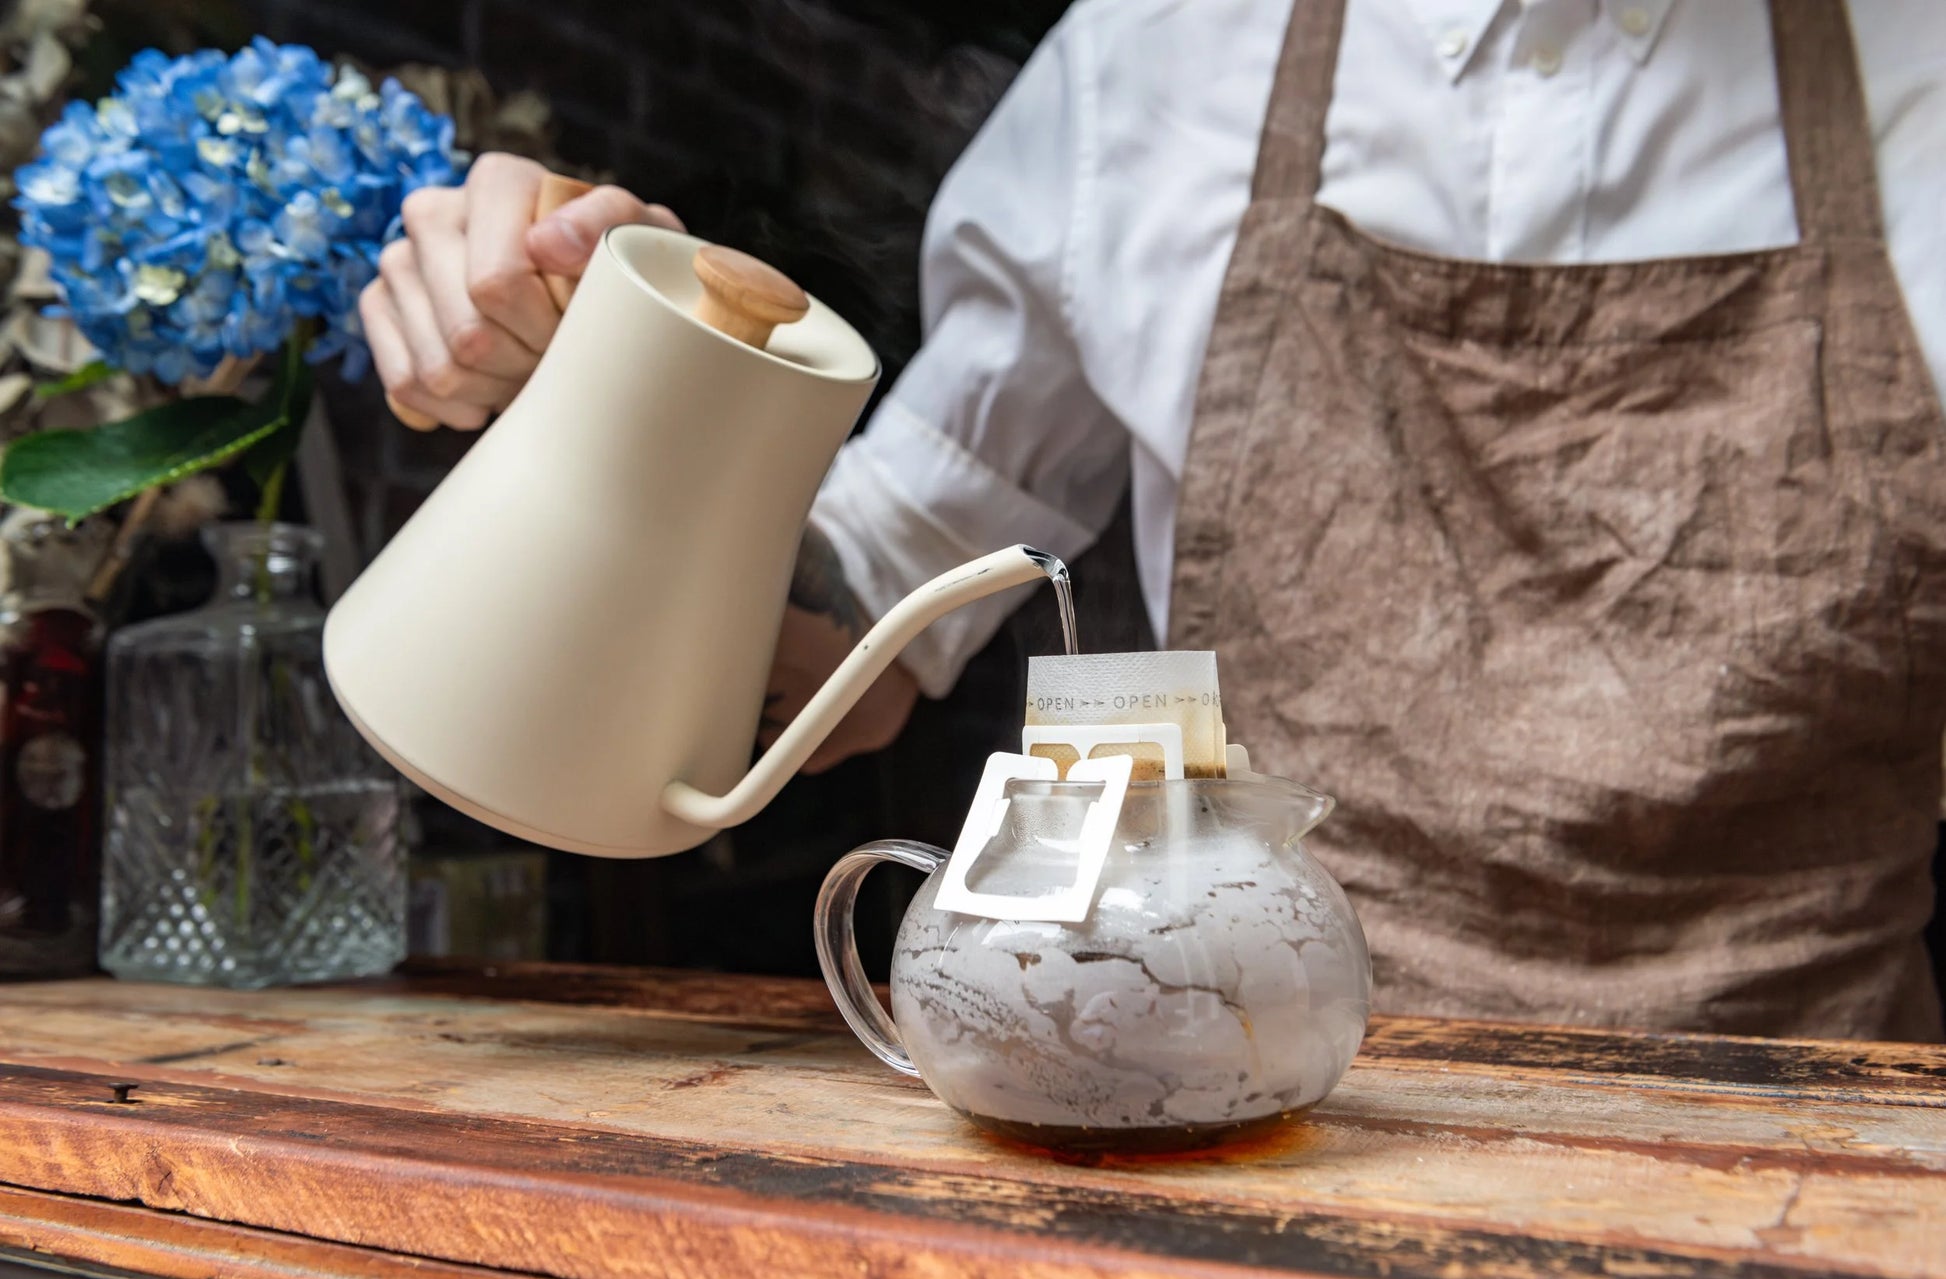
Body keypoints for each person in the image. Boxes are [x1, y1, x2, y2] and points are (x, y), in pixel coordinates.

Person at [361, 0, 1946, 1042]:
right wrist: (631, 383)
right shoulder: (1165, 51)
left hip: (1812, 1161)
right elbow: (831, 653)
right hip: (1255, 1131)